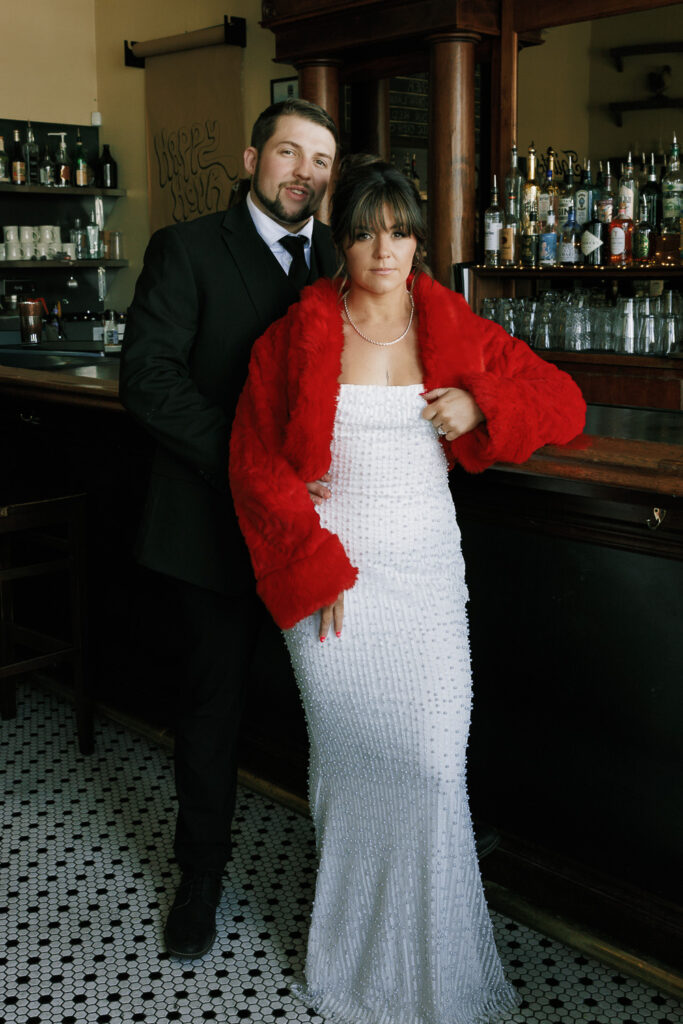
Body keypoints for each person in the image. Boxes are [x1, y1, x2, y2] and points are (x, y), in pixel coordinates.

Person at [229, 155, 586, 1024]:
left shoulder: (453, 327)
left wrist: (479, 403)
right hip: (333, 581)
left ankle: (437, 974)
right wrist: (312, 563)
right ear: (340, 242)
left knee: (430, 769)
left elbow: (564, 402)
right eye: (361, 232)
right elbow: (252, 462)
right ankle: (352, 965)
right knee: (350, 773)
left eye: (397, 231)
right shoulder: (297, 332)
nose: (380, 249)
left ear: (419, 242)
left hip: (425, 574)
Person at [119, 98, 339, 959]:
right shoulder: (187, 247)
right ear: (252, 158)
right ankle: (200, 881)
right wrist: (252, 466)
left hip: (312, 535)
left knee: (330, 708)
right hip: (212, 525)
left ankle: (349, 877)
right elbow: (149, 379)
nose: (304, 174)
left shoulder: (340, 254)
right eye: (289, 153)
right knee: (213, 710)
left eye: (320, 161)